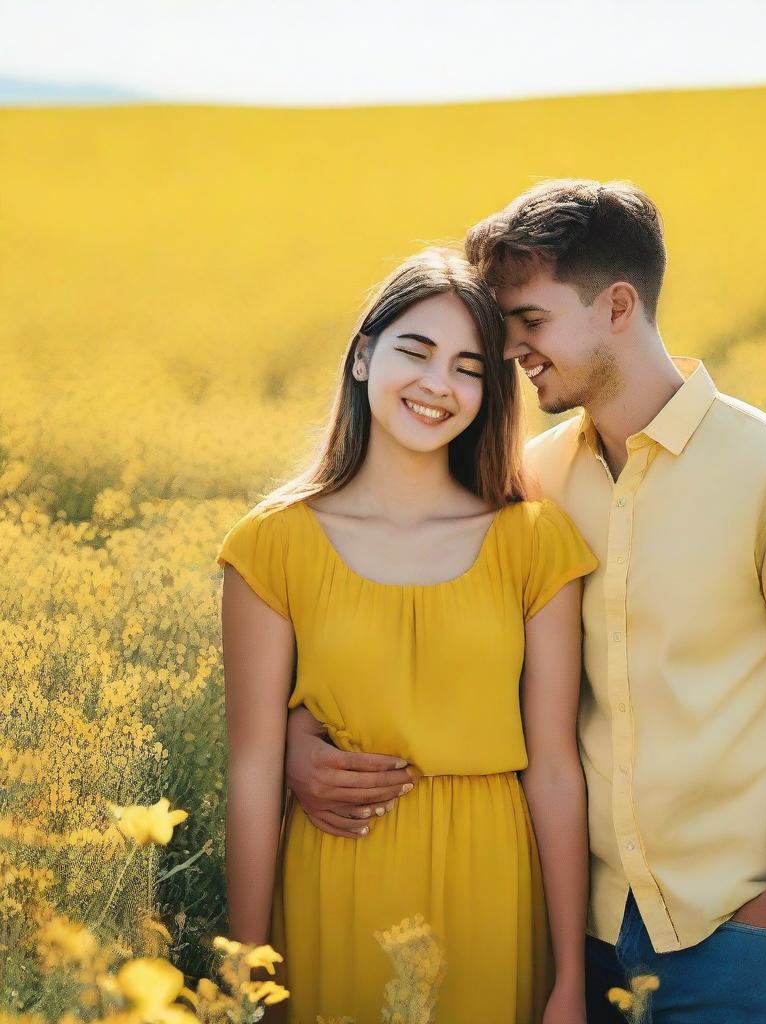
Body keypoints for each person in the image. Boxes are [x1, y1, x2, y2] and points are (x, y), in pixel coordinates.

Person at [285, 180, 766, 1023]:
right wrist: (294, 740)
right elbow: (413, 638)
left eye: (528, 324)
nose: (509, 352)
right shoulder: (531, 479)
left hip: (735, 935)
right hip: (576, 928)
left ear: (616, 305)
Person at [216, 247, 598, 1024]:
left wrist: (569, 978)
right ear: (363, 356)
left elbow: (556, 768)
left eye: (468, 367)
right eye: (415, 352)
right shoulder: (271, 543)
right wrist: (245, 978)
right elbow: (254, 771)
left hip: (494, 885)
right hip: (335, 880)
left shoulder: (534, 538)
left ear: (492, 392)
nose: (437, 386)